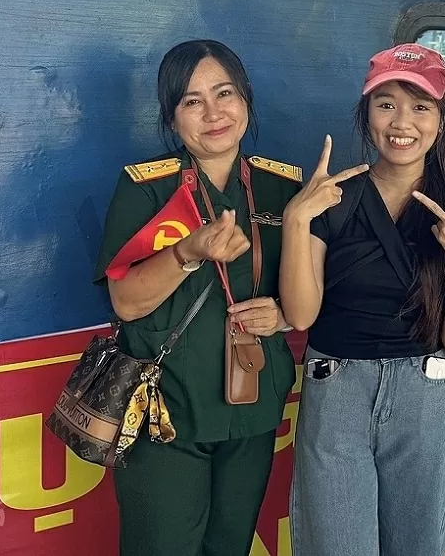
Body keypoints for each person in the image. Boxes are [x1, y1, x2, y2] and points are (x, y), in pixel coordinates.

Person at [92, 39, 301, 556]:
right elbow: (126, 301)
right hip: (166, 412)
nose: (213, 113)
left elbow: (303, 295)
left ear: (246, 100)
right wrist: (186, 252)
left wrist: (281, 318)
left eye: (224, 93)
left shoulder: (282, 188)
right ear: (172, 117)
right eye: (191, 101)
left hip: (252, 404)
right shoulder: (148, 189)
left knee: (230, 546)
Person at [279, 44, 445, 556]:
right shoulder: (335, 198)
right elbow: (303, 314)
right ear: (366, 113)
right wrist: (296, 221)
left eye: (421, 107)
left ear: (442, 121)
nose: (403, 122)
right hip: (338, 392)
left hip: (426, 392)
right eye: (387, 103)